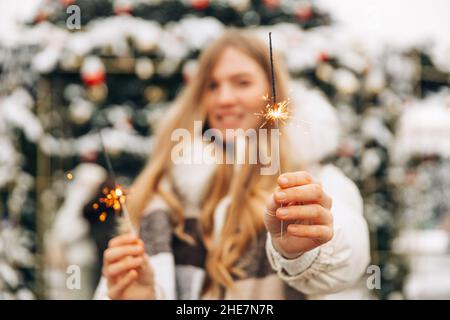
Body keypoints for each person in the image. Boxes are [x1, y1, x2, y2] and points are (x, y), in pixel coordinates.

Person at [94, 29, 370, 300]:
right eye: (212, 85)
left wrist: (303, 251)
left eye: (242, 82)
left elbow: (349, 257)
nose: (224, 99)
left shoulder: (313, 179)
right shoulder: (163, 189)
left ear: (274, 94)